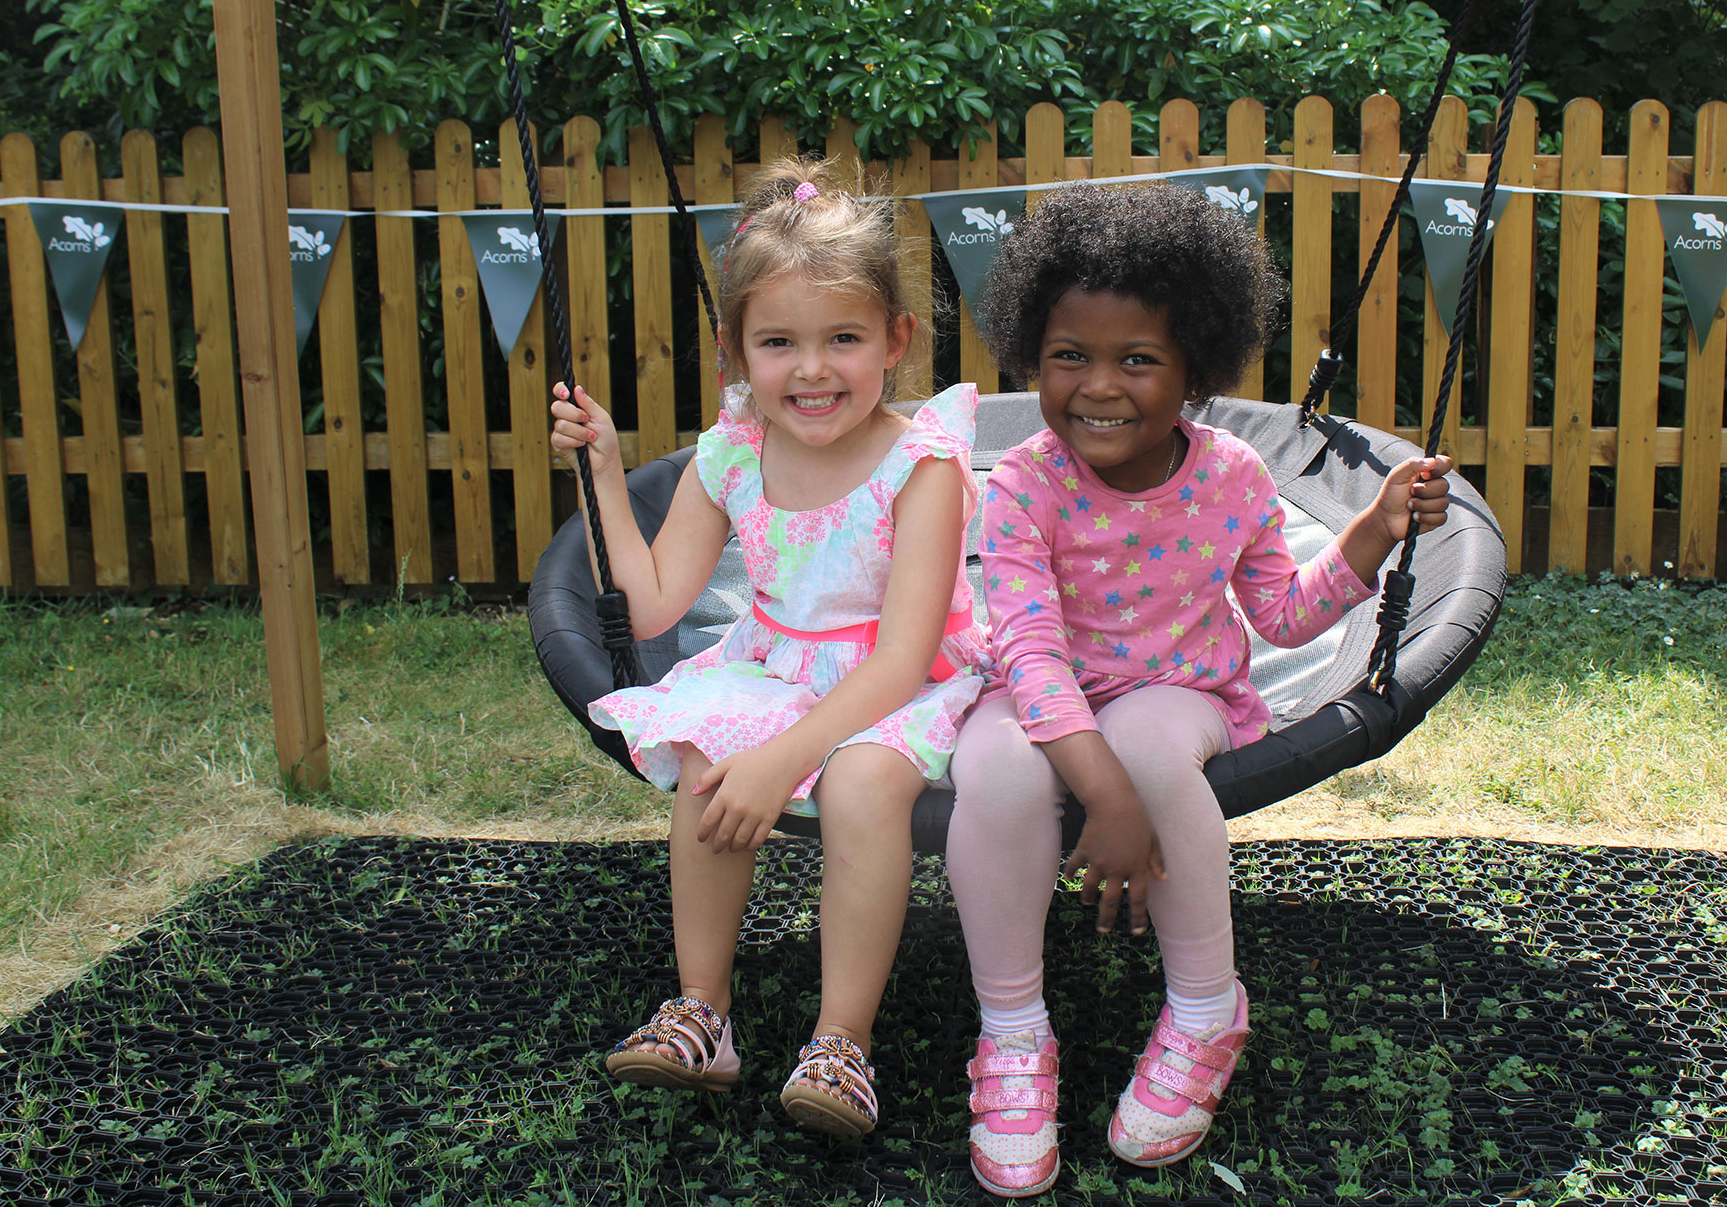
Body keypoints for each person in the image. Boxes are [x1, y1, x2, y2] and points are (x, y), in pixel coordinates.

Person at [947, 181, 1454, 1195]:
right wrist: (1101, 799)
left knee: (1142, 742)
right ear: (1028, 356)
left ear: (1191, 373)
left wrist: (1373, 530)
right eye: (1068, 356)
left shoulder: (1228, 476)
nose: (1099, 385)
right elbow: (1033, 657)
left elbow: (1282, 615)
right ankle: (1010, 1033)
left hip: (1174, 687)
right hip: (1042, 687)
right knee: (993, 766)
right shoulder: (1021, 486)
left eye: (1137, 359)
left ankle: (1203, 1004)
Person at [550, 161, 986, 1138]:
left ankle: (841, 1042)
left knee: (861, 786)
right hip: (777, 663)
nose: (813, 369)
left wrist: (783, 758)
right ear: (735, 350)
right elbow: (654, 604)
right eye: (779, 342)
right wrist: (606, 478)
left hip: (898, 680)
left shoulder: (921, 463)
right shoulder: (733, 451)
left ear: (895, 340)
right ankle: (703, 1010)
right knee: (707, 757)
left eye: (843, 338)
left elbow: (904, 656)